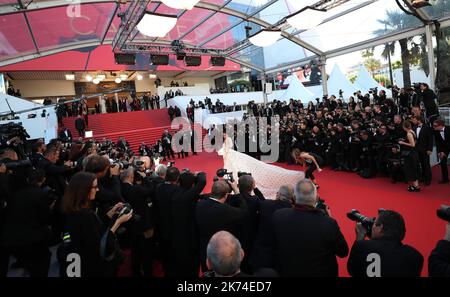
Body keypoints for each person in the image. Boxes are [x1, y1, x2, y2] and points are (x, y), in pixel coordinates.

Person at [60, 172, 132, 277]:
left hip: (78, 261)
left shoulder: (72, 208)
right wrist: (118, 222)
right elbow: (100, 246)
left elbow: (93, 229)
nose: (97, 190)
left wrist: (109, 214)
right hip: (91, 267)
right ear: (84, 190)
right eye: (95, 187)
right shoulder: (85, 215)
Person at [271, 179, 348, 276]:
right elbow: (343, 252)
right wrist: (328, 219)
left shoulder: (279, 216)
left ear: (294, 197)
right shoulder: (328, 223)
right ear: (317, 198)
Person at [0, 169, 53, 277]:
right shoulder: (40, 194)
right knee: (40, 265)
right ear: (43, 179)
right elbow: (45, 218)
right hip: (32, 239)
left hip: (12, 239)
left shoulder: (16, 193)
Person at [347, 210, 424, 277]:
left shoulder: (362, 246)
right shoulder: (415, 256)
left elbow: (351, 270)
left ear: (380, 227)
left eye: (374, 223)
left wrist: (359, 237)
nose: (372, 227)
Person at [195, 180, 246, 272]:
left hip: (204, 250)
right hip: (222, 254)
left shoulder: (199, 204)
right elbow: (244, 212)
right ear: (226, 195)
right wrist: (237, 191)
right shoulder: (225, 210)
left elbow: (206, 197)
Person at [170, 170, 207, 277]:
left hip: (177, 234)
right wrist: (199, 174)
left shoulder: (176, 192)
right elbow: (203, 182)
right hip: (189, 238)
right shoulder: (187, 196)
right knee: (191, 266)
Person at [120, 168, 155, 277]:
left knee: (135, 249)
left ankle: (136, 270)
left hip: (131, 224)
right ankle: (148, 272)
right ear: (130, 177)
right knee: (147, 251)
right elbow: (151, 189)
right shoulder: (136, 189)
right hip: (143, 225)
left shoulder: (121, 188)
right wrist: (145, 177)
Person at [251, 185, 293, 270]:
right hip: (280, 260)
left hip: (260, 256)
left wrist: (255, 188)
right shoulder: (294, 213)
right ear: (292, 197)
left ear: (278, 194)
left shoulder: (266, 205)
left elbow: (263, 202)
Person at [153, 166, 180, 275]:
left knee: (165, 250)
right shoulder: (177, 190)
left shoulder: (159, 187)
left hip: (160, 224)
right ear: (177, 178)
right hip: (173, 227)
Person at [398, 120, 420, 191]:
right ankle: (416, 186)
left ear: (404, 127)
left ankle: (415, 186)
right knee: (414, 169)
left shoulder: (409, 133)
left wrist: (403, 143)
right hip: (413, 153)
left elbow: (413, 144)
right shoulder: (412, 131)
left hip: (410, 154)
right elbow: (415, 142)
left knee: (411, 169)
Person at [412, 115, 433, 186]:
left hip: (425, 149)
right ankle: (422, 178)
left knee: (426, 164)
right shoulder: (414, 127)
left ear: (419, 120)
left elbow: (430, 139)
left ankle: (428, 179)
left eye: (414, 120)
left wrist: (430, 149)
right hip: (416, 149)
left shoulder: (427, 127)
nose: (413, 121)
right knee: (419, 164)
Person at [433, 119, 450, 184]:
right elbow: (438, 143)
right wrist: (440, 152)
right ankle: (445, 179)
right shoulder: (436, 131)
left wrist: (444, 151)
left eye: (435, 126)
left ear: (441, 125)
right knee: (443, 163)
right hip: (444, 149)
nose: (434, 127)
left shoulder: (449, 129)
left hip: (447, 147)